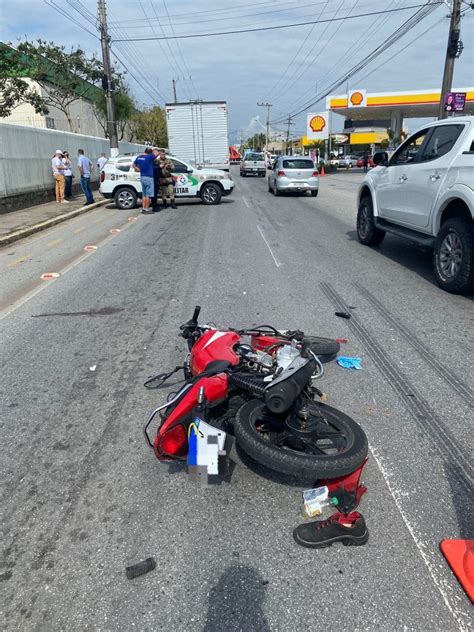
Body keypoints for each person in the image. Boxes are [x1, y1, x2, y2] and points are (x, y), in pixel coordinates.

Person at [131, 147, 155, 214]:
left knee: (144, 195)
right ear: (150, 152)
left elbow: (133, 164)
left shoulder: (139, 157)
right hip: (149, 177)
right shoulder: (149, 157)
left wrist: (138, 169)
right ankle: (147, 209)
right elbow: (156, 154)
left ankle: (143, 208)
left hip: (142, 177)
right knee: (148, 195)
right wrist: (153, 150)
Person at [151, 149, 163, 213]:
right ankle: (154, 207)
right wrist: (159, 166)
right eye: (156, 153)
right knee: (154, 194)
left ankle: (156, 206)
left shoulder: (155, 160)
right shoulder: (150, 160)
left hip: (157, 178)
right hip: (153, 178)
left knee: (156, 193)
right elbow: (152, 168)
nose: (157, 154)